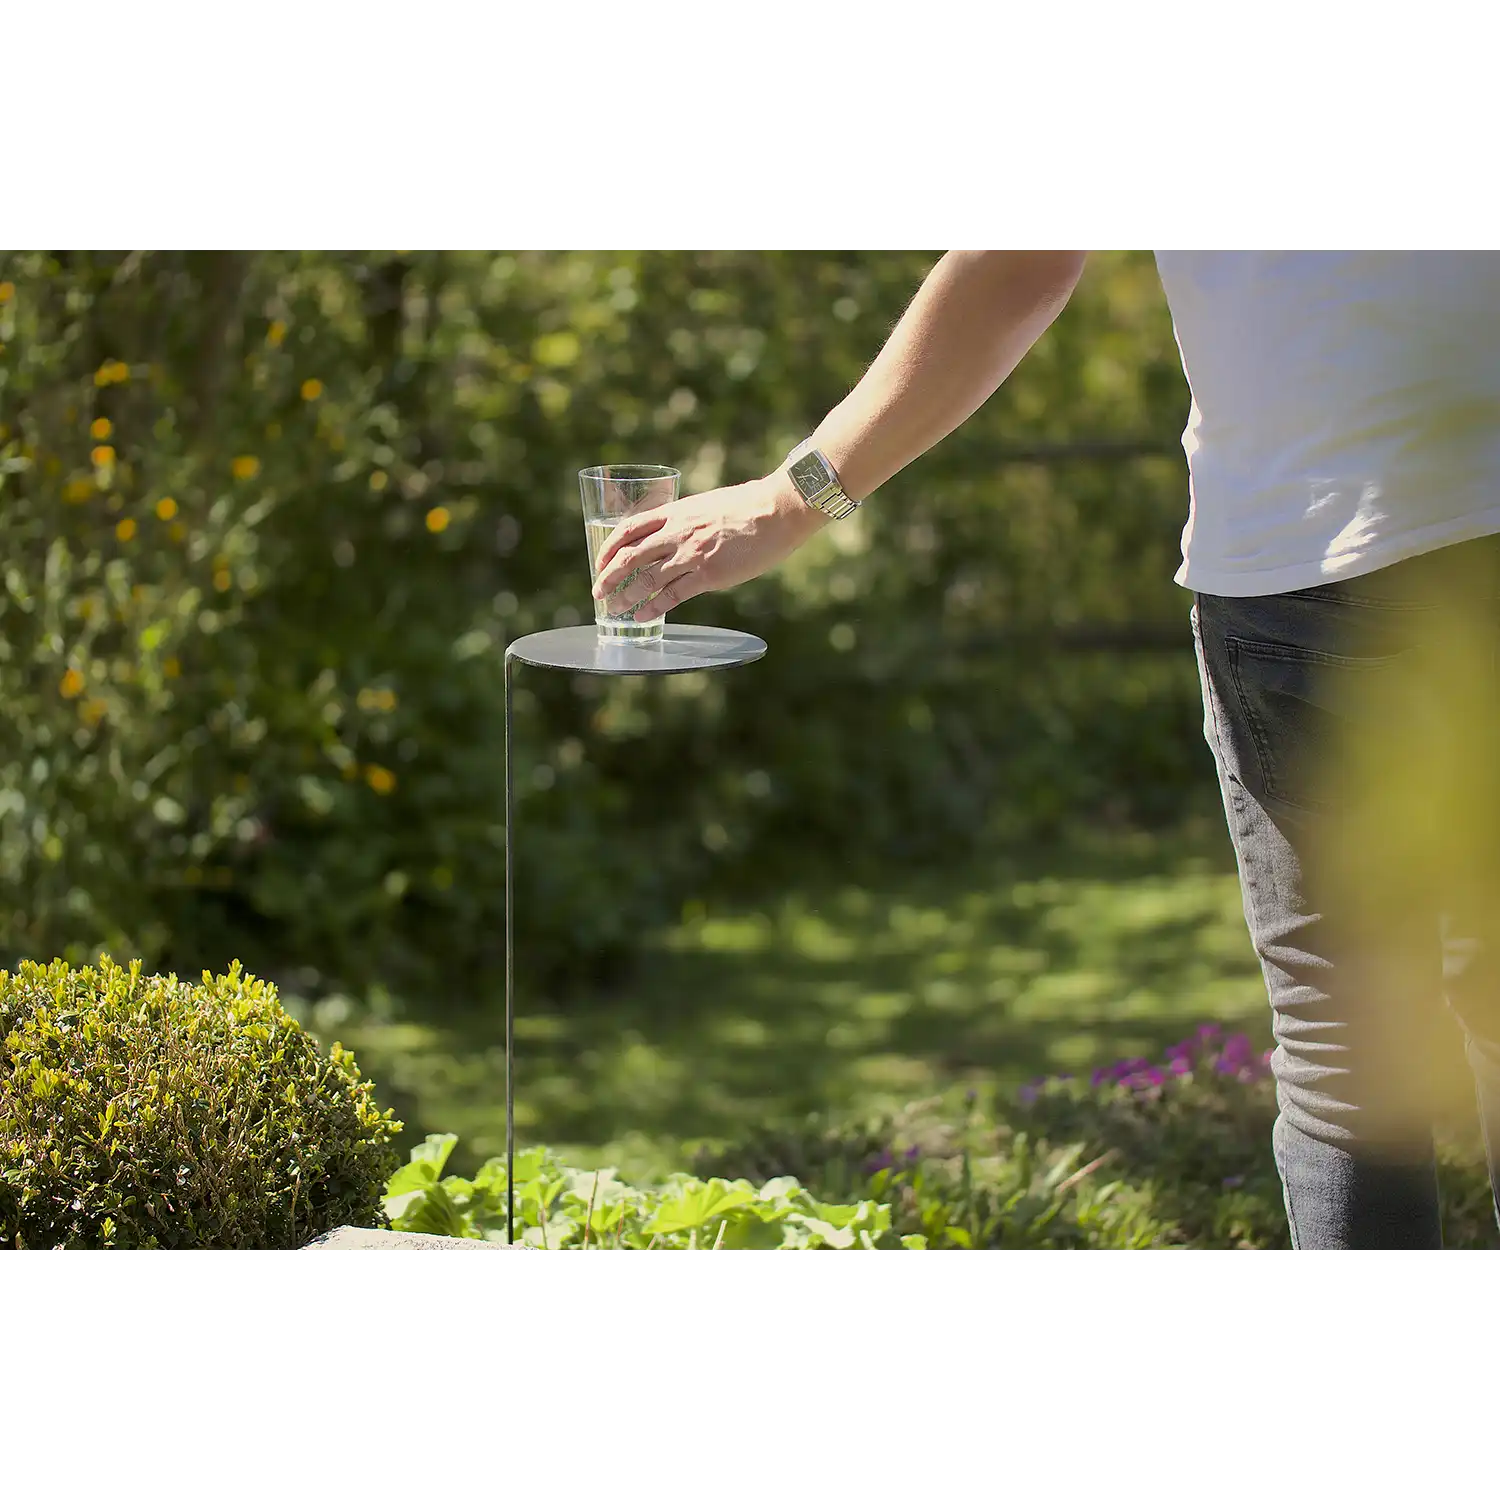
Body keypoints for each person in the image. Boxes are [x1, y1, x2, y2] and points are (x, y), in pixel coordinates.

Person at [589, 250, 1500, 1254]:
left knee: (1356, 1059)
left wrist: (790, 500)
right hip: (1347, 555)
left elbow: (1024, 254)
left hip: (1307, 550)